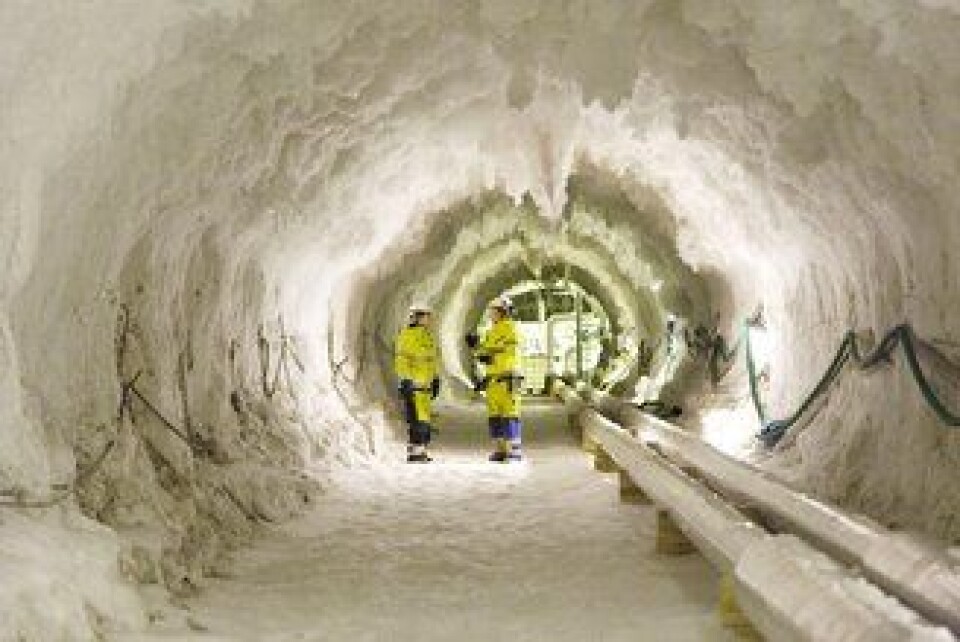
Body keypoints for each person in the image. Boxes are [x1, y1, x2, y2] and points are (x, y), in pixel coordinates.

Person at [467, 296, 523, 462]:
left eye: (494, 311)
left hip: (507, 379)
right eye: (491, 311)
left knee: (510, 415)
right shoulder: (491, 331)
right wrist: (475, 347)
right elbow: (485, 353)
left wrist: (489, 357)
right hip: (493, 380)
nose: (491, 314)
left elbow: (508, 353)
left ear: (503, 312)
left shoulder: (511, 329)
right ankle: (500, 450)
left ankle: (513, 451)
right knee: (495, 417)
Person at [394, 303, 440, 463]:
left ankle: (421, 451)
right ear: (417, 317)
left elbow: (431, 361)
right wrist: (405, 379)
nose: (428, 319)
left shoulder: (427, 336)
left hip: (425, 387)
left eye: (428, 316)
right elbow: (402, 359)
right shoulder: (408, 335)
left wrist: (435, 378)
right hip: (414, 386)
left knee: (424, 421)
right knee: (417, 420)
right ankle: (415, 452)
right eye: (426, 316)